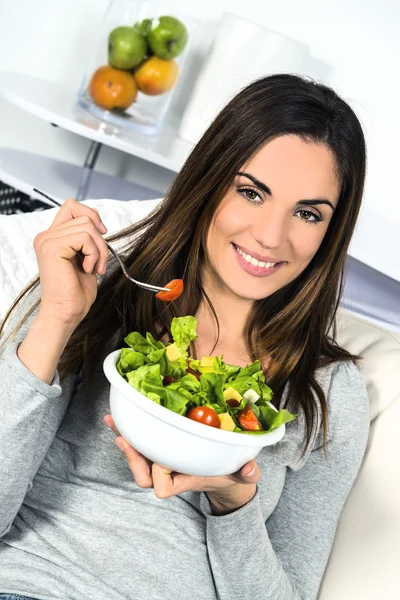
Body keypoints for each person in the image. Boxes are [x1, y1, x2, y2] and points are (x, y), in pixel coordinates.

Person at [0, 74, 370, 600]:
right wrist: (57, 319)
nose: (271, 236)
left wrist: (234, 503)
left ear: (330, 234)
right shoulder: (90, 288)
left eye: (308, 214)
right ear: (208, 181)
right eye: (251, 192)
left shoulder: (328, 391)